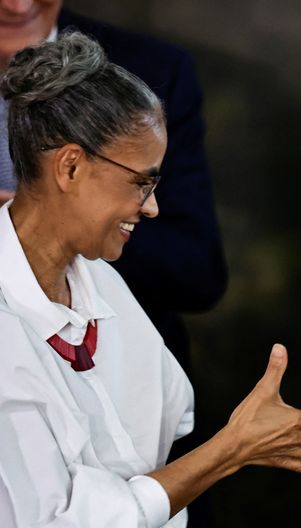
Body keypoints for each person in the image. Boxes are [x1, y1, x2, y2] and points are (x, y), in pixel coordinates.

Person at [0, 32, 301, 528]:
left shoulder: (105, 285)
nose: (152, 207)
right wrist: (230, 449)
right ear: (71, 166)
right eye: (140, 182)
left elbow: (170, 420)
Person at [0, 1, 227, 369]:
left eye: (146, 183)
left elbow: (197, 271)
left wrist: (64, 227)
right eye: (139, 182)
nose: (18, 4)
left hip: (126, 374)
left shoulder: (152, 72)